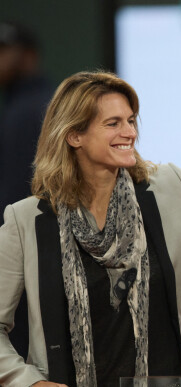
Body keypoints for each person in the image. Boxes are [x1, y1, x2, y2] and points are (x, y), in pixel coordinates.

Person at [0, 70, 181, 387]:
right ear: (74, 135)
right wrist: (28, 381)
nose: (129, 131)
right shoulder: (26, 219)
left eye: (131, 120)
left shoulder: (172, 190)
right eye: (113, 123)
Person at [0, 21, 55, 360]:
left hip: (30, 260)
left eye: (5, 51)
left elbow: (19, 198)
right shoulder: (19, 107)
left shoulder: (33, 109)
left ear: (29, 56)